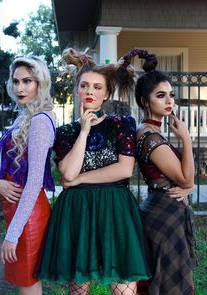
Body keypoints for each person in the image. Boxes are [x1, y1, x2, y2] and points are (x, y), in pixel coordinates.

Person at [38, 48, 151, 295]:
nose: (90, 91)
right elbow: (67, 173)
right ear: (77, 90)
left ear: (107, 93)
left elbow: (124, 169)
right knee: (79, 289)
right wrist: (85, 132)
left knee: (123, 287)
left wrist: (80, 178)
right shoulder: (66, 132)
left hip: (114, 208)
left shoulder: (121, 124)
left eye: (97, 87)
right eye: (85, 85)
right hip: (77, 211)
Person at [121, 48, 196, 294]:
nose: (169, 102)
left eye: (171, 96)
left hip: (164, 210)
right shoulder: (150, 137)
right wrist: (186, 138)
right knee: (167, 285)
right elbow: (186, 178)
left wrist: (188, 186)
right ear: (145, 101)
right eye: (161, 96)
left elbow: (185, 181)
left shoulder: (151, 131)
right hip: (164, 216)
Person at [0, 55, 56, 295]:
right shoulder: (23, 116)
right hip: (16, 209)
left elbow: (35, 181)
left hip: (28, 215)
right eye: (16, 81)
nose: (20, 88)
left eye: (27, 81)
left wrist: (13, 234)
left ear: (40, 83)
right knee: (24, 282)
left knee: (27, 282)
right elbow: (0, 164)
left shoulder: (40, 120)